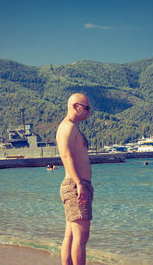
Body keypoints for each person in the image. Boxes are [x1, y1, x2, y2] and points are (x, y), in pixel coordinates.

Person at [57, 93, 93, 265]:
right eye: (86, 107)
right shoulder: (67, 127)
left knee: (71, 236)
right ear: (74, 106)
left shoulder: (72, 127)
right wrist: (79, 183)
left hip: (76, 184)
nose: (89, 111)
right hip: (75, 185)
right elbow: (66, 156)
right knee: (81, 236)